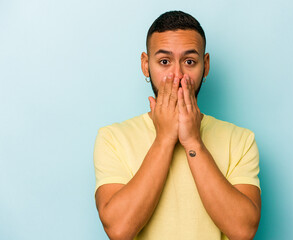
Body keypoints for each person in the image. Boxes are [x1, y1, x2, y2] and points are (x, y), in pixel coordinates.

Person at [93, 10, 261, 240]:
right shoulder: (112, 138)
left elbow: (243, 231)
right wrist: (164, 139)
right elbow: (119, 230)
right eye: (164, 62)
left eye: (189, 61)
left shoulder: (240, 140)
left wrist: (193, 141)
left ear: (206, 65)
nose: (178, 75)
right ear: (145, 65)